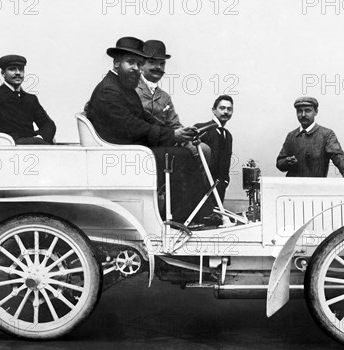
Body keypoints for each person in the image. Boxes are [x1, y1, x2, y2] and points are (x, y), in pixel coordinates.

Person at [84, 37, 217, 226]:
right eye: (130, 62)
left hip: (128, 149)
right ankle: (184, 217)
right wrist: (172, 135)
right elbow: (131, 126)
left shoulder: (122, 87)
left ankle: (194, 213)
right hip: (122, 155)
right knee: (181, 157)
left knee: (184, 152)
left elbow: (143, 119)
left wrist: (177, 133)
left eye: (139, 64)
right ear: (116, 62)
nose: (136, 68)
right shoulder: (109, 91)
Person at [135, 40, 210, 161]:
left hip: (166, 140)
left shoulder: (165, 97)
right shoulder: (133, 89)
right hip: (144, 143)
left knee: (203, 150)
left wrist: (187, 133)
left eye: (162, 63)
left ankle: (199, 180)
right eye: (152, 62)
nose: (158, 67)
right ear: (141, 64)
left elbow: (174, 124)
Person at [276, 97, 344, 178]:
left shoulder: (326, 134)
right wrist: (287, 162)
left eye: (307, 110)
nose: (303, 115)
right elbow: (279, 163)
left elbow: (339, 157)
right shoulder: (291, 136)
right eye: (299, 111)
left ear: (316, 112)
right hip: (292, 187)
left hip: (316, 188)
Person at [195, 95, 234, 202]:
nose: (226, 112)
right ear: (214, 110)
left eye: (229, 109)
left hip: (220, 187)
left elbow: (226, 163)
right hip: (201, 188)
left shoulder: (228, 135)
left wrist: (225, 181)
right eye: (222, 108)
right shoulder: (201, 129)